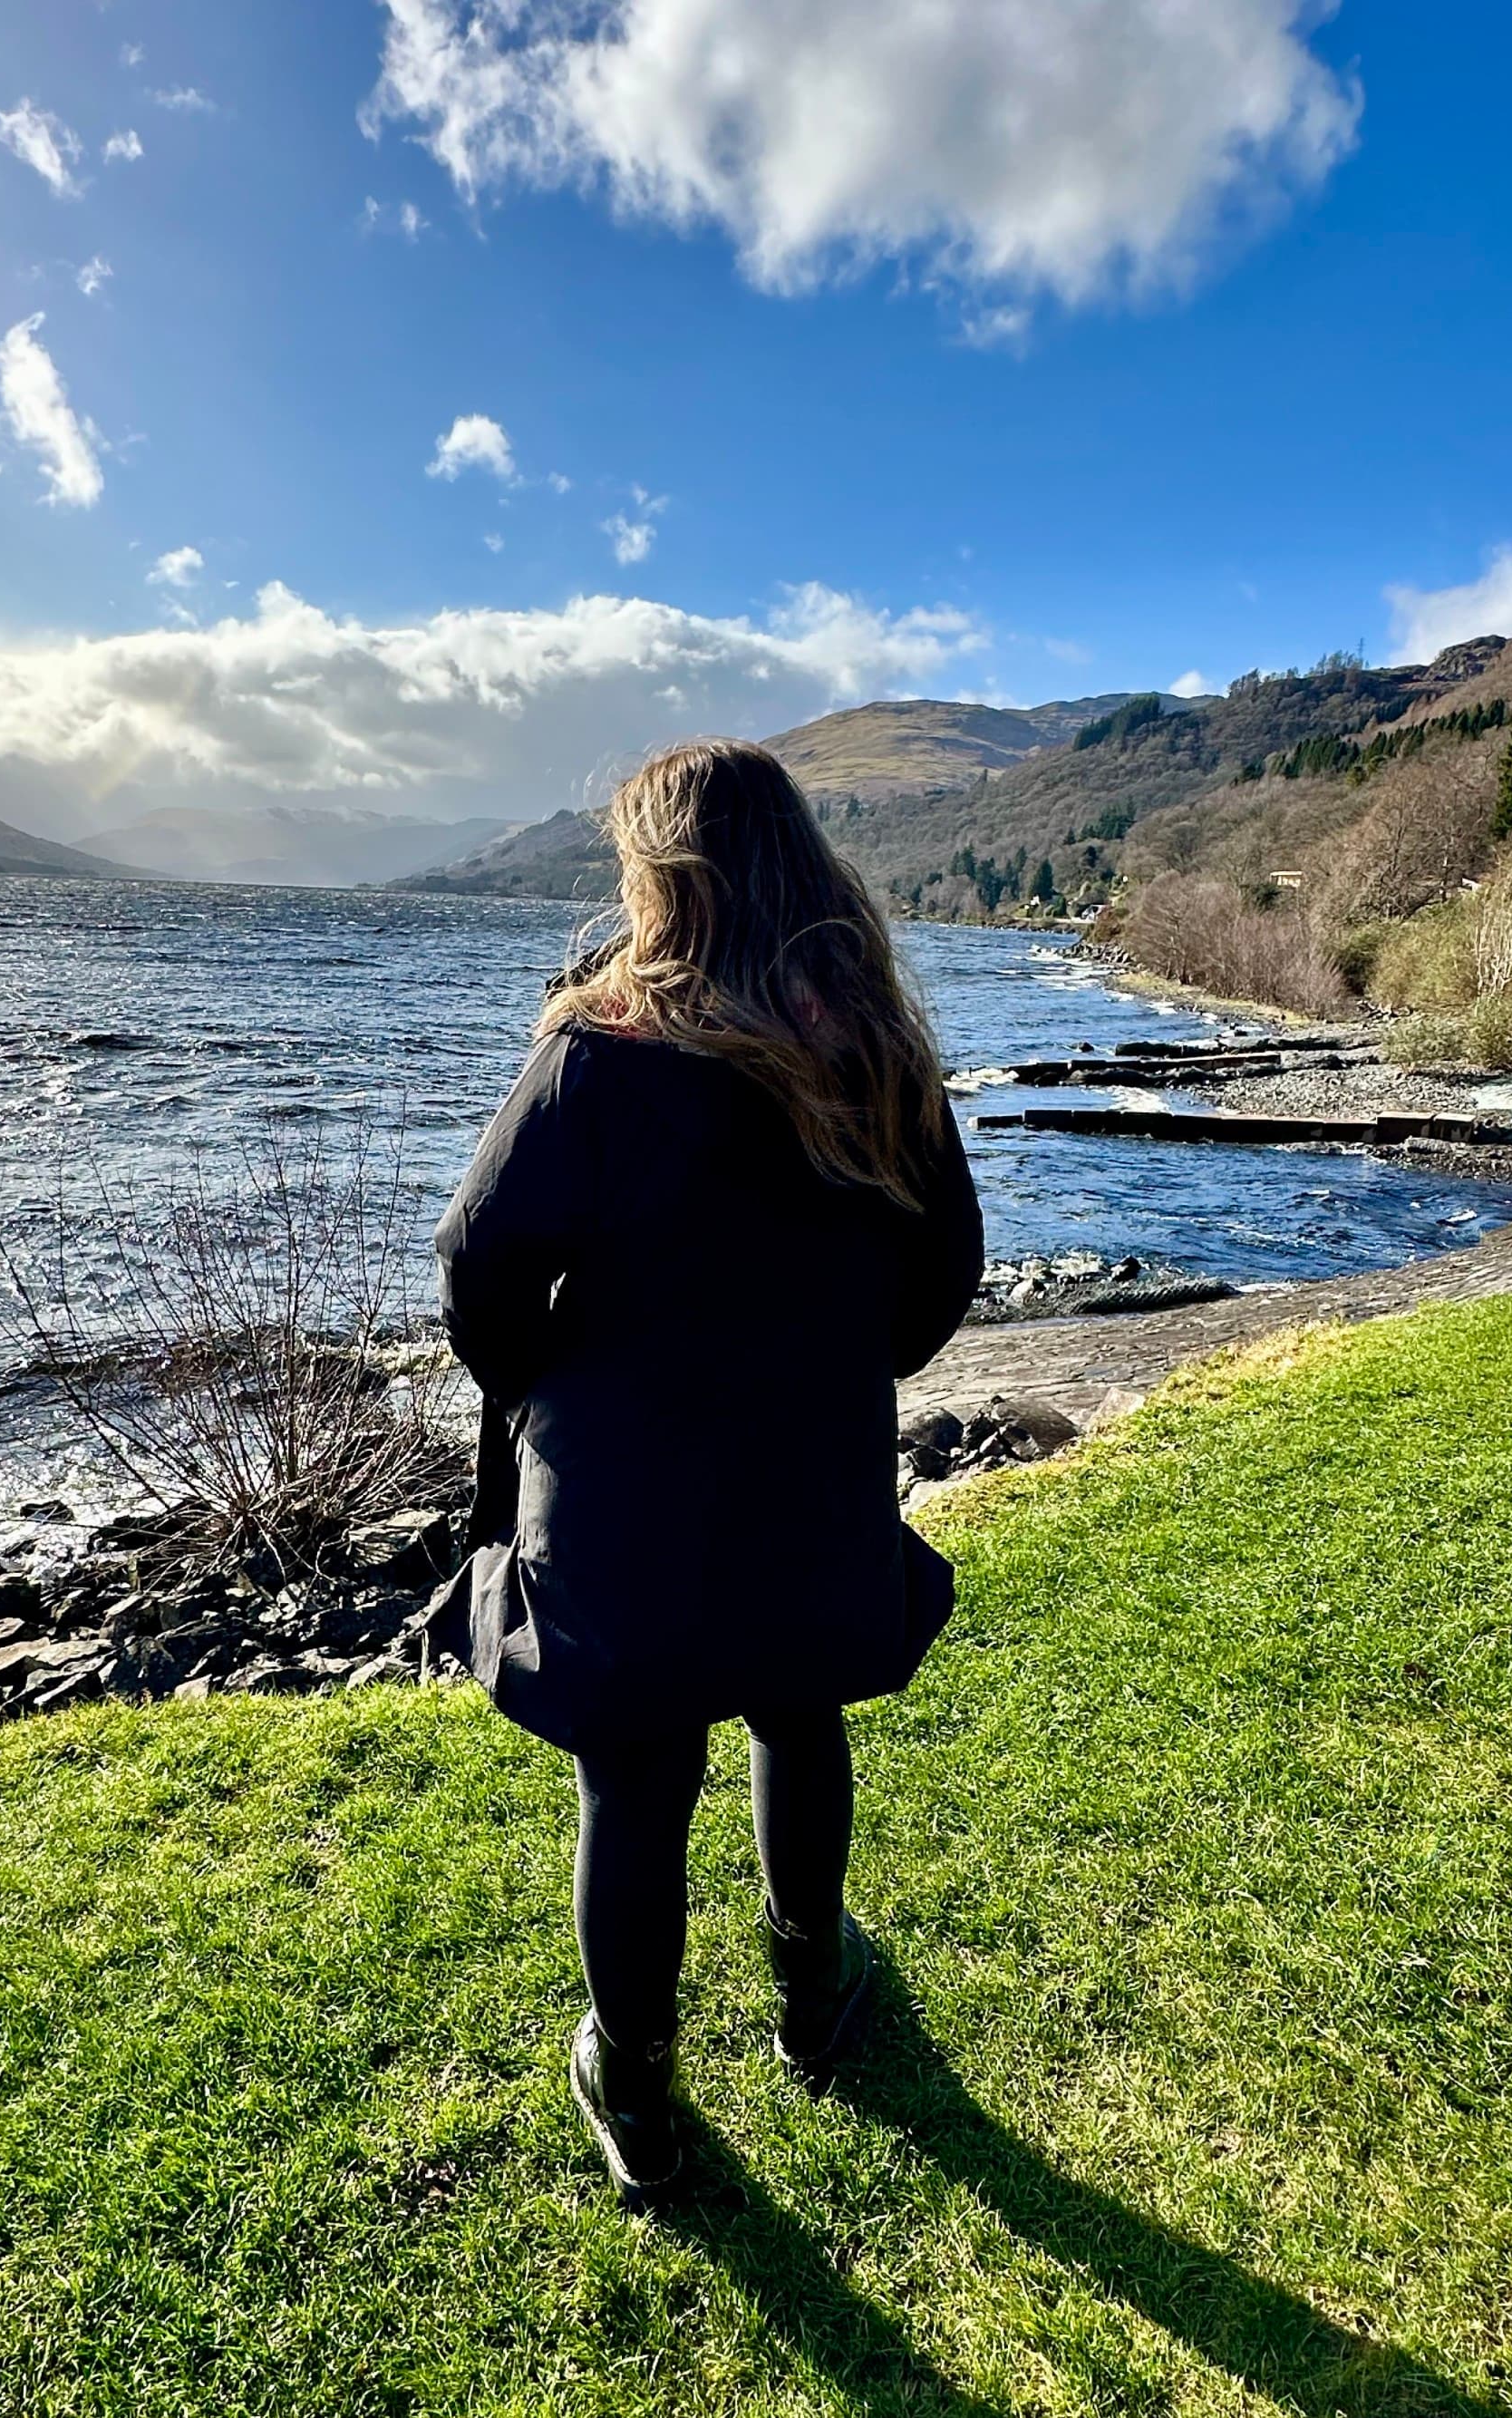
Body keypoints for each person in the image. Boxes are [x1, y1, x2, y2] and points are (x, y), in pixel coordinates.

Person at [428, 740, 984, 2208]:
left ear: (659, 876)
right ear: (797, 865)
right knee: (800, 1719)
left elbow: (477, 1270)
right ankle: (815, 1999)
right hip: (808, 1471)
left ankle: (641, 2087)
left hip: (622, 1495)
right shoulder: (872, 1051)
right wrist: (834, 1377)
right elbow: (944, 1277)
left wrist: (545, 1389)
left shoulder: (595, 1057)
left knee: (638, 1773)